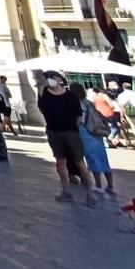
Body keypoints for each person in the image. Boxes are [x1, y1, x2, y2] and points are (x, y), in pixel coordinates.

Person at [37, 71, 93, 205]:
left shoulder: (70, 96)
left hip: (70, 132)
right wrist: (40, 86)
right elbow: (41, 107)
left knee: (80, 162)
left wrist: (74, 128)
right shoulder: (45, 94)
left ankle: (90, 194)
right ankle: (66, 191)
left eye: (51, 78)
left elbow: (79, 115)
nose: (49, 81)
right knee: (60, 162)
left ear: (58, 79)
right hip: (53, 132)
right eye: (47, 79)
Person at [70, 82, 115, 194]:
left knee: (92, 159)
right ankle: (110, 185)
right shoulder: (89, 103)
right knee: (103, 158)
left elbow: (81, 120)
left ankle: (98, 185)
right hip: (96, 132)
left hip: (85, 132)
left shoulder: (78, 104)